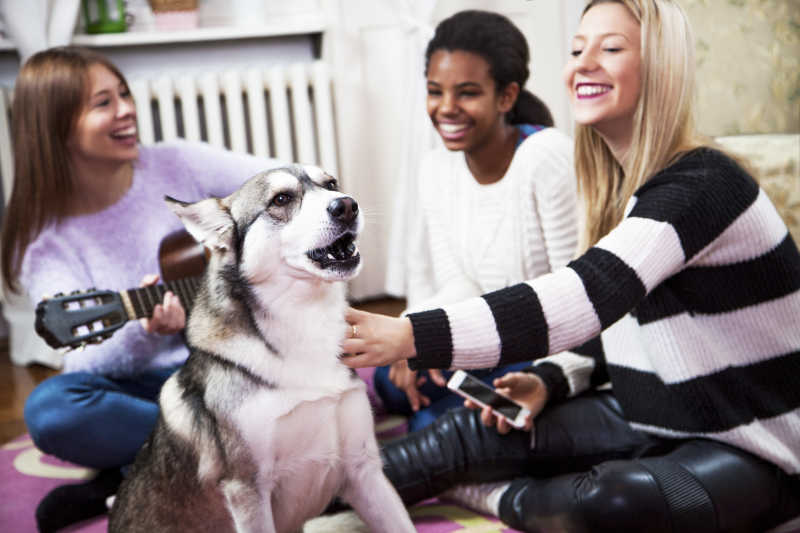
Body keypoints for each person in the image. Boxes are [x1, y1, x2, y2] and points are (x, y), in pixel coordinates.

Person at [341, 1, 800, 531]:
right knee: (468, 434)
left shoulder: (702, 184)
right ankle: (304, 492)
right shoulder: (623, 191)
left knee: (613, 501)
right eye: (578, 48)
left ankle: (490, 496)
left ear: (661, 67)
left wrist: (410, 334)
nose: (583, 63)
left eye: (610, 48)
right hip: (653, 413)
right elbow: (617, 327)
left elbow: (583, 298)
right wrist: (549, 382)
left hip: (760, 449)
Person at [0, 46, 281, 532]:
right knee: (51, 410)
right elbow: (82, 361)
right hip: (160, 393)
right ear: (55, 126)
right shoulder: (47, 242)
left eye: (124, 94)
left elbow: (287, 184)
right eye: (102, 103)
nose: (127, 109)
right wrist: (149, 332)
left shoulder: (176, 163)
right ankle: (211, 460)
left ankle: (136, 476)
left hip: (236, 361)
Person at [375, 10, 578, 432]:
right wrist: (415, 333)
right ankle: (441, 423)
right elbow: (460, 284)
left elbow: (575, 298)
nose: (446, 109)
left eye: (467, 93)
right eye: (435, 91)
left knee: (438, 416)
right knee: (394, 376)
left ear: (505, 96)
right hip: (487, 339)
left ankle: (445, 426)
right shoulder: (435, 169)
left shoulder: (546, 156)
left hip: (546, 351)